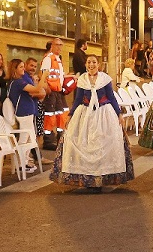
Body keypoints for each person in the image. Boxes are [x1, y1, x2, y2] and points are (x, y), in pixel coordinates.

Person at [49, 54, 135, 192]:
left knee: (102, 144)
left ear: (98, 64)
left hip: (103, 114)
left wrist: (119, 114)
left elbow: (111, 97)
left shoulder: (105, 79)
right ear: (85, 64)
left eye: (94, 62)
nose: (91, 65)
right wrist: (70, 115)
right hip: (86, 115)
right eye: (89, 62)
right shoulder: (82, 80)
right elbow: (78, 99)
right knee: (84, 143)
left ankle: (101, 178)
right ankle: (88, 178)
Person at [6, 58, 46, 173]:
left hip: (28, 112)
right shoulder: (18, 82)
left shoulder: (18, 81)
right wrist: (43, 76)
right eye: (21, 67)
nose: (24, 69)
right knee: (24, 138)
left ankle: (25, 161)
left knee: (30, 138)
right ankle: (20, 163)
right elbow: (37, 89)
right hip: (23, 113)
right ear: (15, 69)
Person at [40, 39, 68, 147]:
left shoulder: (57, 59)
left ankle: (60, 138)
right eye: (57, 45)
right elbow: (44, 74)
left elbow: (59, 76)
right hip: (51, 91)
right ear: (52, 46)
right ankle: (48, 141)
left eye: (61, 45)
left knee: (60, 115)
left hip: (58, 91)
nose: (59, 47)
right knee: (50, 115)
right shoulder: (49, 58)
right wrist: (47, 88)